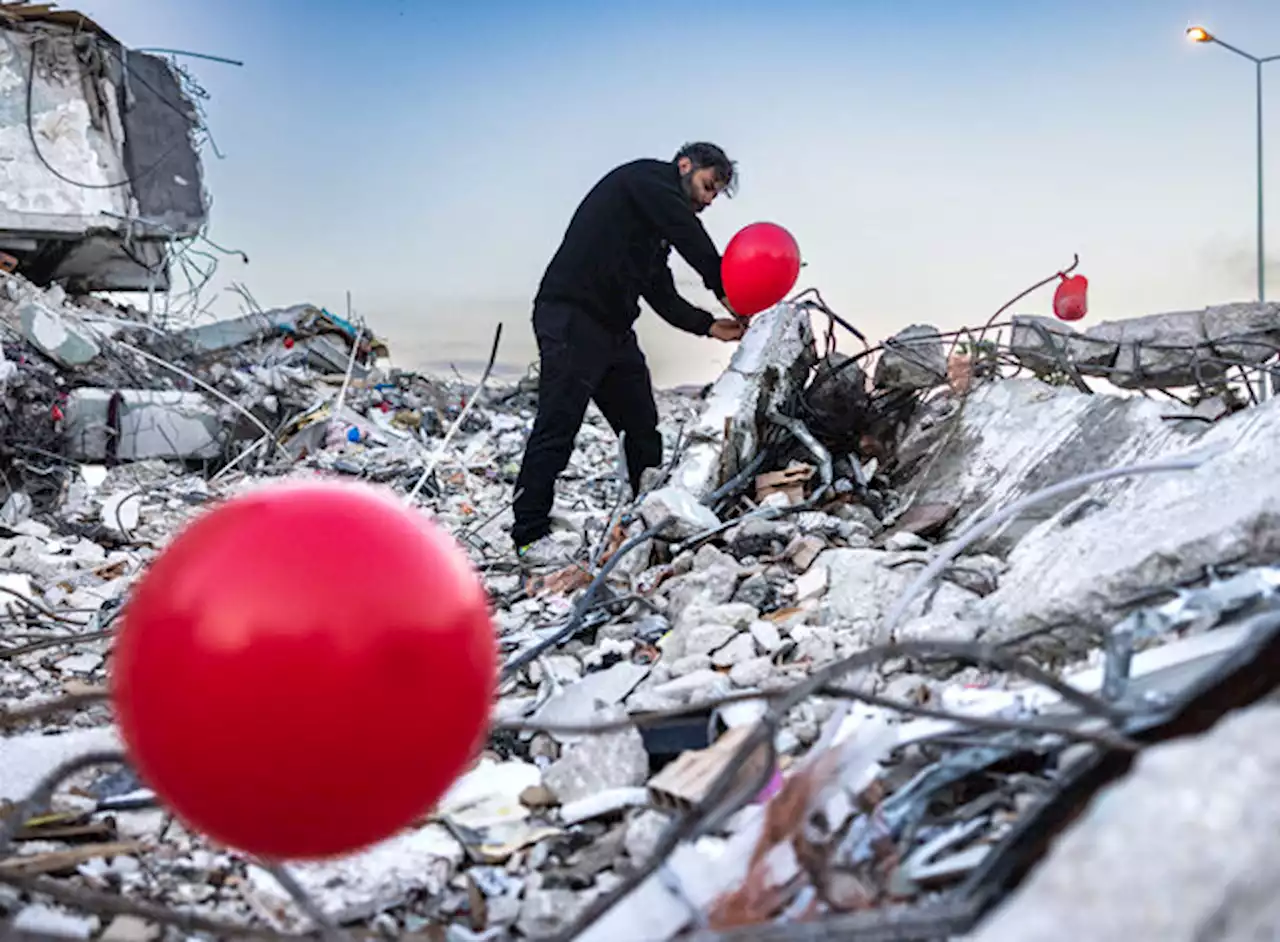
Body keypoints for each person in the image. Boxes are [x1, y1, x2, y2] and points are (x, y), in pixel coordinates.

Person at [511, 142, 745, 565]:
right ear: (685, 165)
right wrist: (723, 285)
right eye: (709, 186)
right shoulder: (644, 180)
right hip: (571, 316)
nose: (708, 200)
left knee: (642, 429)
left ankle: (647, 520)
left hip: (614, 331)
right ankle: (529, 534)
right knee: (558, 424)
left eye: (715, 195)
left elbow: (661, 292)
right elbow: (684, 228)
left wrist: (710, 326)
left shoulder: (651, 232)